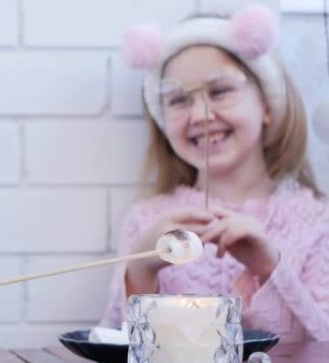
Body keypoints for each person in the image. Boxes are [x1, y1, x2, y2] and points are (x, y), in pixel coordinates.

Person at [101, 4, 329, 342]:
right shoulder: (146, 220)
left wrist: (269, 268)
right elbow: (116, 348)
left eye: (219, 91)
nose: (200, 115)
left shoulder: (316, 223)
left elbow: (321, 355)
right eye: (178, 99)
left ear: (267, 104)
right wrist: (140, 267)